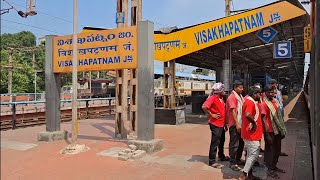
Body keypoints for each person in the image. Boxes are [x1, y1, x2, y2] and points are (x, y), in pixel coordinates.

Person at [261, 85, 287, 179]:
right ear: (266, 93)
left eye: (273, 92)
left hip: (277, 129)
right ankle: (269, 169)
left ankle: (274, 166)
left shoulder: (275, 101)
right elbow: (263, 119)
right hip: (270, 131)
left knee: (277, 149)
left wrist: (282, 129)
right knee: (269, 151)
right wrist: (267, 134)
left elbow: (279, 115)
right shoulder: (264, 104)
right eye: (270, 92)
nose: (272, 94)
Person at [239, 87, 263, 180]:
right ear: (254, 94)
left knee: (250, 154)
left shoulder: (250, 101)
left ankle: (250, 175)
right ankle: (244, 174)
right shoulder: (250, 102)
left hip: (249, 133)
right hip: (250, 134)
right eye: (259, 94)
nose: (260, 95)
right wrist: (254, 123)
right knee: (254, 154)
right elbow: (248, 114)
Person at [202, 82, 227, 168]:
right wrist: (211, 114)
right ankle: (212, 161)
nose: (224, 91)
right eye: (223, 89)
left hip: (221, 124)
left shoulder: (221, 98)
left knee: (222, 140)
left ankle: (221, 156)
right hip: (215, 124)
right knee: (215, 142)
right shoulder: (213, 98)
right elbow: (204, 107)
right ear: (219, 91)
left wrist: (225, 123)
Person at [226, 80, 245, 171]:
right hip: (235, 124)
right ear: (235, 87)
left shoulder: (240, 96)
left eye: (242, 87)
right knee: (234, 144)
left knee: (241, 143)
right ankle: (232, 162)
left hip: (241, 124)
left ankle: (238, 159)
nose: (242, 89)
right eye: (240, 87)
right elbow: (232, 111)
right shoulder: (232, 97)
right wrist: (237, 124)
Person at [269, 79, 288, 157]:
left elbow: (280, 103)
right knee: (274, 136)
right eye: (271, 83)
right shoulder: (268, 93)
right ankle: (273, 152)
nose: (273, 85)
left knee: (279, 135)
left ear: (277, 84)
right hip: (274, 117)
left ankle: (278, 151)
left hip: (280, 116)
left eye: (274, 83)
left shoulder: (279, 92)